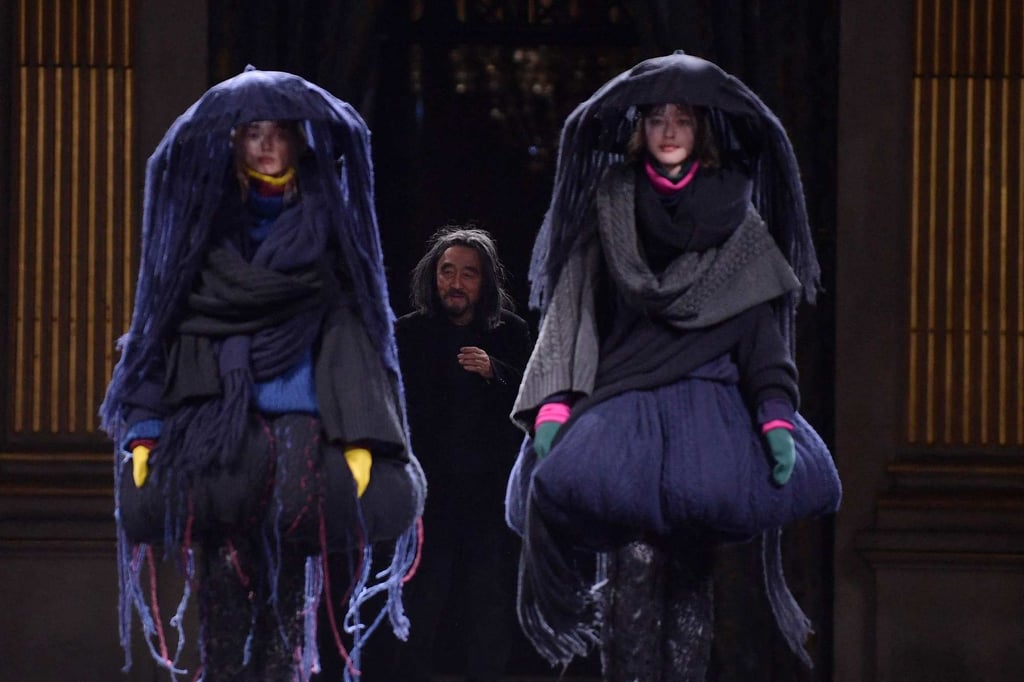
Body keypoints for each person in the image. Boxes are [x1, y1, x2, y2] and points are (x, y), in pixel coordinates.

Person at [504, 52, 842, 681]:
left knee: (689, 584)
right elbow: (574, 313)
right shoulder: (608, 209)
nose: (666, 130)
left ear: (699, 132)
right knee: (631, 577)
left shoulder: (737, 223)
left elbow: (759, 334)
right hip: (623, 418)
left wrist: (774, 415)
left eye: (681, 118)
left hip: (704, 425)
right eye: (655, 117)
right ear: (640, 129)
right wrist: (553, 405)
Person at [101, 68, 425, 681]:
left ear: (299, 141)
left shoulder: (331, 227)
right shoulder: (203, 228)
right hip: (217, 418)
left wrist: (366, 434)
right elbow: (160, 326)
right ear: (234, 142)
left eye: (279, 132)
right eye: (253, 133)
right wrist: (144, 425)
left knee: (285, 570)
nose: (267, 145)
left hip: (307, 421)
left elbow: (358, 327)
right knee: (224, 574)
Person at [372, 226, 532, 682]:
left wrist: (495, 371)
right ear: (433, 277)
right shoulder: (407, 334)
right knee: (420, 607)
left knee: (488, 613)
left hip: (488, 501)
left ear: (485, 283)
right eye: (447, 272)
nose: (456, 283)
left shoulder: (510, 333)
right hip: (425, 499)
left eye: (468, 274)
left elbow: (537, 398)